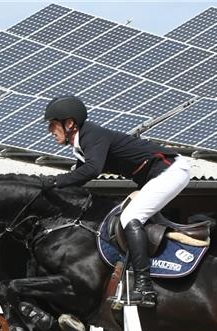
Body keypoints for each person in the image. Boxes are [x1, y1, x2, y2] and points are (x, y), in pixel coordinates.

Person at [41, 95, 192, 308]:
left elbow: (92, 170)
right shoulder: (83, 145)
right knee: (122, 214)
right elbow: (76, 176)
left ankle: (144, 287)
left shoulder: (91, 135)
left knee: (130, 217)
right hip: (156, 176)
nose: (49, 130)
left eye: (53, 125)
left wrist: (55, 181)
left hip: (170, 170)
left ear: (70, 124)